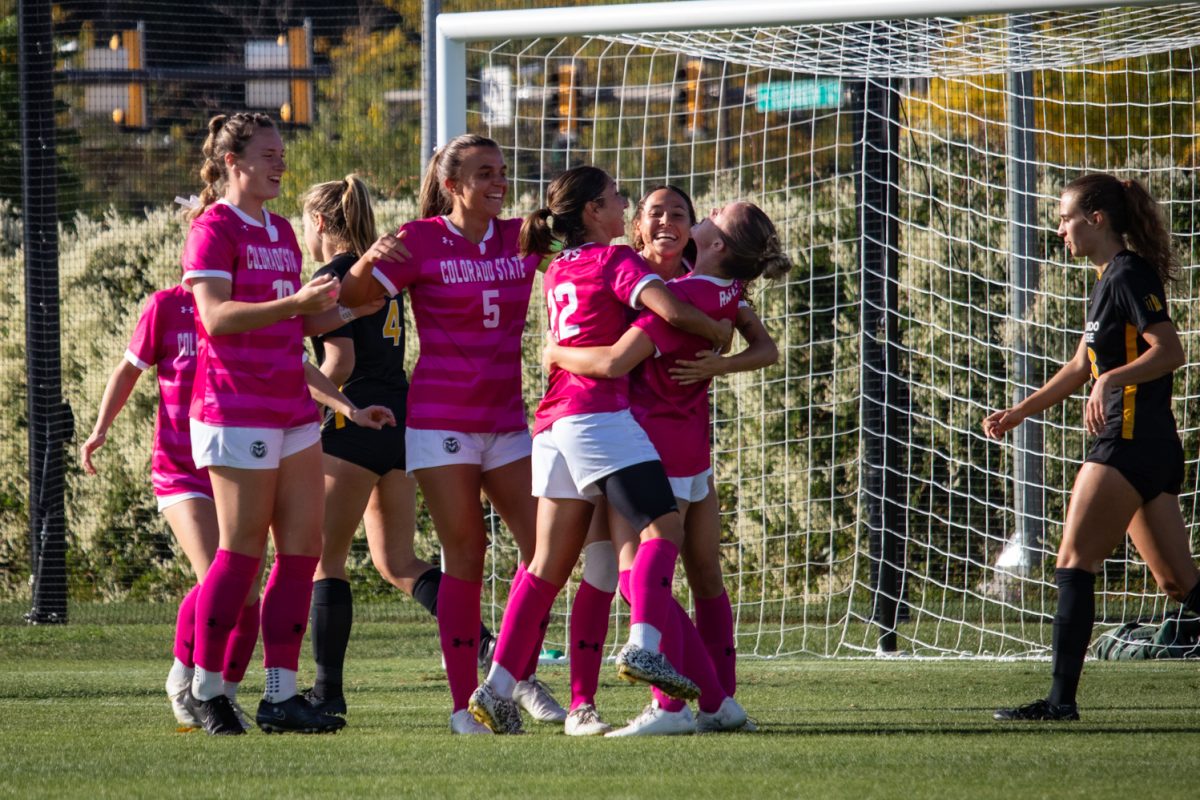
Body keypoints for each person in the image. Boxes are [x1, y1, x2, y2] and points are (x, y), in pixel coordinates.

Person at [466, 165, 734, 735]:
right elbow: (671, 310)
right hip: (598, 418)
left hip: (552, 424)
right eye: (617, 199)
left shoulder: (557, 266)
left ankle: (495, 687)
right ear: (594, 212)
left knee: (545, 568)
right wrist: (713, 330)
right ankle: (643, 645)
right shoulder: (615, 260)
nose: (624, 205)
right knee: (663, 527)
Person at [337, 134, 566, 735]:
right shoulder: (417, 240)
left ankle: (508, 677)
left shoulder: (524, 235)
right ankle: (465, 705)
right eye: (485, 172)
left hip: (507, 421)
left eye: (503, 171)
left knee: (548, 552)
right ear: (451, 184)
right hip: (440, 421)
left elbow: (592, 247)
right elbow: (353, 298)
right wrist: (367, 259)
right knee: (467, 555)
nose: (500, 181)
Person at [546, 196, 791, 736]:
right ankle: (721, 701)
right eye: (656, 212)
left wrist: (556, 354)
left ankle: (671, 703)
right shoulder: (728, 291)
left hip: (648, 448)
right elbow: (764, 348)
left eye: (695, 215)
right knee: (703, 577)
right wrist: (723, 358)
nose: (680, 221)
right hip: (693, 451)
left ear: (713, 242)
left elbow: (613, 362)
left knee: (631, 577)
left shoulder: (675, 295)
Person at [181, 112, 392, 736]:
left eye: (282, 153)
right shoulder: (211, 228)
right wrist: (299, 303)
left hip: (293, 410)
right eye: (269, 154)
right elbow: (217, 319)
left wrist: (343, 311)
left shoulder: (280, 230)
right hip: (233, 408)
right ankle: (207, 686)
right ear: (232, 161)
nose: (280, 163)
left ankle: (281, 695)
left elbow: (293, 330)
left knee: (302, 554)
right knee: (241, 555)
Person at [985, 173, 1200, 721]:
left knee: (1074, 562)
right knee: (1178, 583)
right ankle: (1060, 701)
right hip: (1148, 449)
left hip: (1126, 444)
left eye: (1066, 218)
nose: (1060, 229)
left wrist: (1113, 382)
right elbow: (1083, 365)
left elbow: (1169, 350)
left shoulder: (1128, 273)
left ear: (1096, 220)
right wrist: (1020, 412)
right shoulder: (1108, 279)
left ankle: (1060, 702)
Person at [300, 173, 499, 716]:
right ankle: (486, 645)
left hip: (356, 426)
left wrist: (322, 409)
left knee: (324, 563)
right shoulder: (381, 273)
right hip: (401, 424)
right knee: (396, 561)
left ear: (317, 222)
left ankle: (327, 695)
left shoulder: (336, 274)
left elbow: (337, 362)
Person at [80, 281, 262, 732]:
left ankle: (226, 695)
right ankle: (186, 680)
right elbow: (128, 370)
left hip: (232, 462)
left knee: (249, 589)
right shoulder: (167, 306)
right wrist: (100, 429)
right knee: (218, 573)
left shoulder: (248, 305)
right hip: (180, 470)